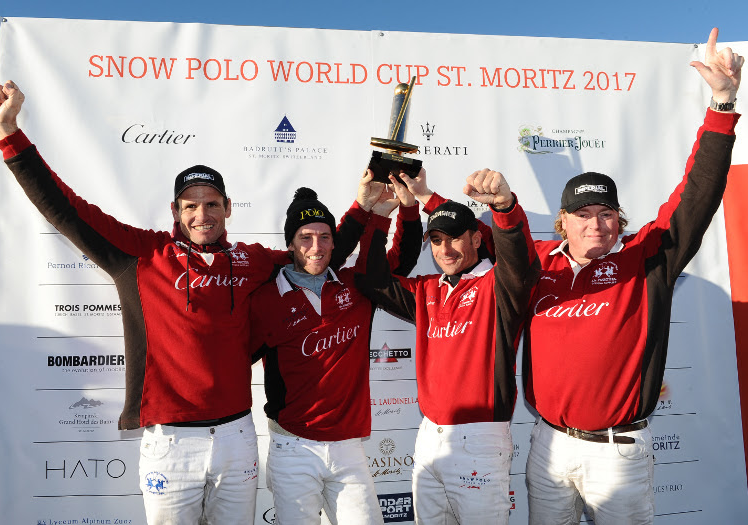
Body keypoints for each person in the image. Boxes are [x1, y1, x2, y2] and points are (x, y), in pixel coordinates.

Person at [0, 80, 389, 524]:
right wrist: (10, 135)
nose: (202, 215)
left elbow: (317, 252)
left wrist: (362, 207)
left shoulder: (253, 261)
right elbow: (67, 211)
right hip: (171, 444)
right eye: (190, 206)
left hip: (237, 436)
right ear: (175, 211)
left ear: (228, 208)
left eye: (212, 204)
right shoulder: (142, 255)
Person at [517, 28, 742, 524]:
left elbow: (697, 193)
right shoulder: (538, 264)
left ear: (619, 220)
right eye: (583, 214)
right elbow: (470, 239)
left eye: (606, 214)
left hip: (616, 454)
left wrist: (722, 106)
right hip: (548, 446)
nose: (596, 224)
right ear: (562, 222)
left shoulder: (647, 258)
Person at [356, 168, 541, 524]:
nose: (445, 249)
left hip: (480, 440)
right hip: (429, 438)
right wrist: (387, 215)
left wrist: (504, 207)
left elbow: (519, 258)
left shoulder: (499, 285)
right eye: (437, 240)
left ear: (477, 238)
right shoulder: (426, 289)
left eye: (455, 238)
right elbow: (370, 279)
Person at [249, 179, 422, 525]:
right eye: (305, 237)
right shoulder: (265, 299)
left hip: (348, 449)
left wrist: (401, 211)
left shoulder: (356, 284)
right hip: (292, 447)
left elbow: (400, 261)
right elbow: (232, 357)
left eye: (325, 237)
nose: (316, 247)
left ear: (334, 242)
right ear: (290, 244)